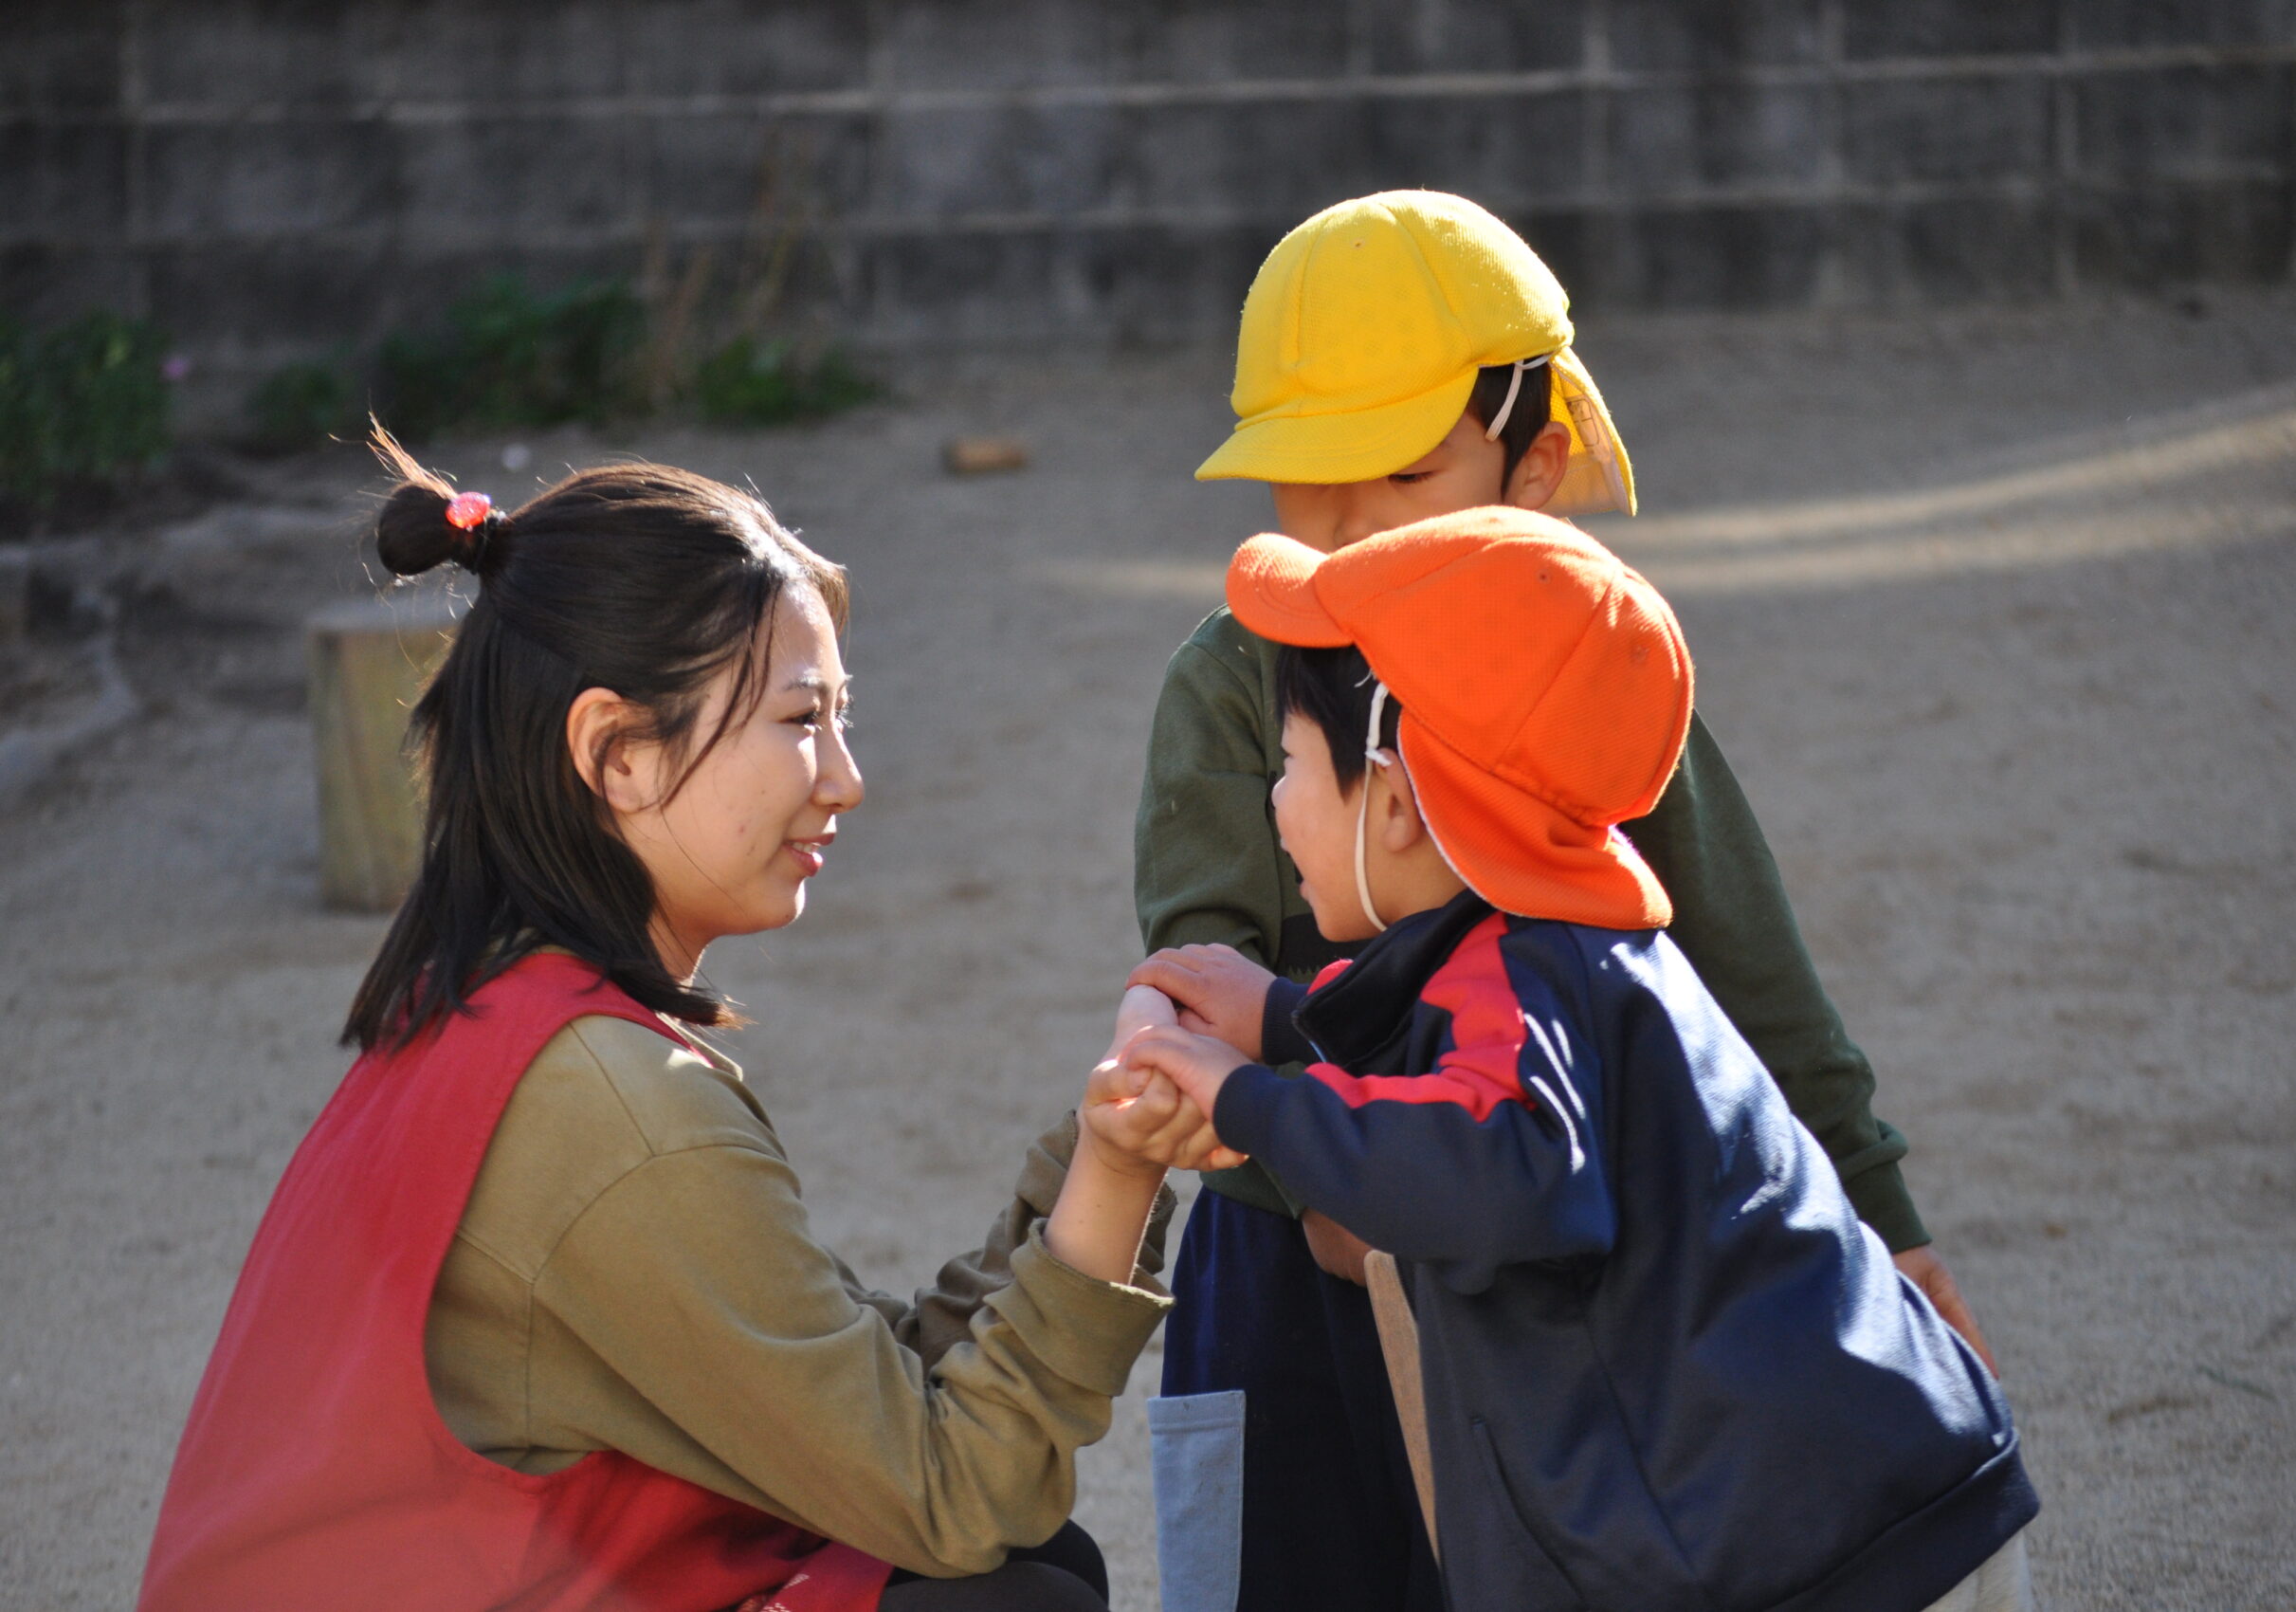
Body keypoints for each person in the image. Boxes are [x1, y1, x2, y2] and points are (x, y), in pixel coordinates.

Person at [137, 439, 1234, 1612]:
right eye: (801, 718)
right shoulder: (618, 1108)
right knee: (1007, 1597)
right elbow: (955, 1492)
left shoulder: (492, 1013)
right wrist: (1118, 1174)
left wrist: (1102, 1143)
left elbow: (863, 1401)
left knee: (1028, 1570)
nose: (846, 777)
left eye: (842, 716)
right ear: (615, 751)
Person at [1129, 190, 1995, 1612]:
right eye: (1301, 476)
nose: (1341, 524)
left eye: (1397, 471)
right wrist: (1307, 1180)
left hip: (1535, 1253)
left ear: (1530, 461)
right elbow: (1194, 959)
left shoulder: (1576, 659)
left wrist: (1878, 1209)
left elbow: (1740, 960)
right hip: (1295, 1247)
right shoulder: (1235, 672)